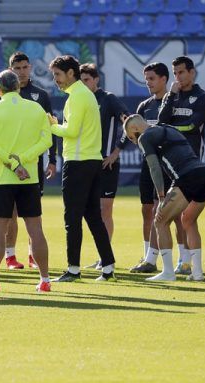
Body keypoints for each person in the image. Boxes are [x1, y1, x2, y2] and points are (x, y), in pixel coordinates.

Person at [0, 70, 52, 292]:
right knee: (35, 229)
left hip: (3, 177)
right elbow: (47, 140)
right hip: (29, 177)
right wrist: (24, 161)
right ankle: (45, 280)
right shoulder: (36, 108)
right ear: (18, 88)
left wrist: (13, 164)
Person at [47, 55, 117, 282]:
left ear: (70, 73)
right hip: (92, 162)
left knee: (72, 218)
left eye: (58, 74)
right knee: (93, 217)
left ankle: (73, 270)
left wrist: (52, 126)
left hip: (78, 164)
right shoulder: (83, 95)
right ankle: (108, 267)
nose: (55, 79)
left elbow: (72, 131)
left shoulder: (77, 96)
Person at [124, 115, 205, 282]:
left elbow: (154, 168)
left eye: (130, 137)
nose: (133, 142)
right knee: (189, 221)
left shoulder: (144, 137)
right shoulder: (169, 128)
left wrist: (161, 196)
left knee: (160, 221)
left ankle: (167, 272)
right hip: (204, 174)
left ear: (135, 129)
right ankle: (198, 273)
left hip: (187, 177)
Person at [0, 51, 56, 270]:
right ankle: (10, 256)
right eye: (17, 68)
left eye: (25, 67)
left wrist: (52, 160)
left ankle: (31, 255)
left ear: (30, 67)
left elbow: (50, 129)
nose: (22, 72)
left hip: (29, 166)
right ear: (11, 70)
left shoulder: (41, 96)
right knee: (11, 215)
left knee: (32, 215)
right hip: (13, 165)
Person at [126, 62, 186, 274]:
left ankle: (184, 260)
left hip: (170, 165)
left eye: (152, 78)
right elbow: (133, 134)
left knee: (176, 213)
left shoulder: (175, 102)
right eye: (146, 79)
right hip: (149, 164)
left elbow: (164, 125)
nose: (148, 83)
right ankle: (149, 258)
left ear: (164, 79)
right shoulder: (144, 106)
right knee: (149, 211)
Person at [157, 55, 205, 274]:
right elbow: (162, 120)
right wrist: (171, 95)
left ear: (192, 72)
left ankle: (186, 262)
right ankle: (185, 261)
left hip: (190, 165)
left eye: (181, 72)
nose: (178, 77)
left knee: (185, 217)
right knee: (174, 216)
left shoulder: (202, 98)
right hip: (171, 163)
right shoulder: (173, 96)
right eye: (175, 73)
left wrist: (170, 131)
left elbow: (192, 126)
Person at [78, 63, 130, 264]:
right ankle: (102, 257)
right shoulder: (80, 100)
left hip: (106, 164)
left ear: (96, 79)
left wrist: (116, 151)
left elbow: (129, 123)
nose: (83, 84)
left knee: (104, 210)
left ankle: (105, 259)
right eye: (80, 81)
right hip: (86, 163)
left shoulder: (108, 99)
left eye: (87, 80)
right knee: (89, 211)